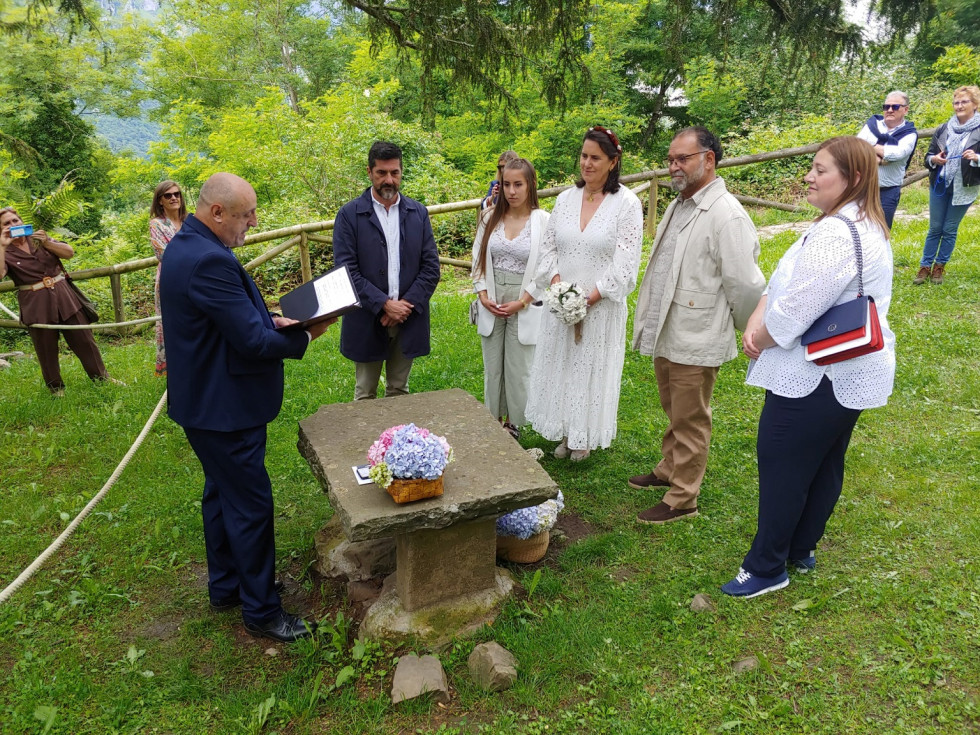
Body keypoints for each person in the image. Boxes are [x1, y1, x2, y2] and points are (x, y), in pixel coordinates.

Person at [159, 172, 334, 642]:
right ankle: (262, 611)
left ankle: (227, 587)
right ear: (216, 212)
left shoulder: (187, 245)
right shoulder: (208, 260)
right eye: (245, 215)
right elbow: (253, 343)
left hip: (204, 402)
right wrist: (304, 333)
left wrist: (269, 316)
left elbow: (225, 319)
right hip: (224, 410)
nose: (253, 222)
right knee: (250, 506)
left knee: (221, 495)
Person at [722, 136, 895, 598]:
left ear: (853, 178)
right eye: (811, 168)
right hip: (849, 372)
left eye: (821, 170)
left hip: (816, 373)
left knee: (783, 465)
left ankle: (765, 567)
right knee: (822, 462)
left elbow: (797, 308)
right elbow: (784, 285)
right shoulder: (862, 222)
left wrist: (759, 335)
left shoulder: (837, 232)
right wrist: (761, 311)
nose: (809, 177)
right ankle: (800, 548)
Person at [630, 127, 765, 524]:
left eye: (682, 159)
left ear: (709, 160)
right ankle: (670, 467)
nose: (674, 166)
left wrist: (743, 329)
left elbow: (745, 284)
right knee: (674, 406)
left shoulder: (726, 215)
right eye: (671, 159)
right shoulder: (680, 204)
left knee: (691, 415)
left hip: (697, 331)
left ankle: (683, 496)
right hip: (671, 327)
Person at [525, 126, 643, 461]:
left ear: (613, 162)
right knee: (562, 365)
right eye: (584, 156)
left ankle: (583, 435)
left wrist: (588, 298)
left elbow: (625, 262)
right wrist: (561, 289)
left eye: (596, 158)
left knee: (590, 368)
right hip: (561, 302)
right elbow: (548, 250)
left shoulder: (627, 204)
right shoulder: (565, 199)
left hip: (600, 305)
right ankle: (564, 431)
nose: (587, 164)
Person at [333, 141, 441, 400]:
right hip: (367, 319)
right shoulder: (349, 215)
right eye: (381, 173)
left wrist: (404, 306)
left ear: (402, 172)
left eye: (394, 172)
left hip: (408, 317)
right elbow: (346, 272)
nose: (388, 180)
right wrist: (384, 305)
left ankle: (396, 441)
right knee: (365, 393)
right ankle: (366, 442)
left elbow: (431, 268)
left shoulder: (417, 213)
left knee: (399, 391)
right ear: (369, 172)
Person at [471, 157, 550, 438]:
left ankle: (515, 423)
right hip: (492, 297)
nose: (512, 191)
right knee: (493, 365)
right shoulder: (489, 216)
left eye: (518, 184)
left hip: (523, 300)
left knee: (519, 366)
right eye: (506, 184)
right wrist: (482, 293)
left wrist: (524, 300)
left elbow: (546, 266)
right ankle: (494, 422)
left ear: (530, 185)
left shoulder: (543, 222)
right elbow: (478, 257)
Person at [0, 207, 114, 395]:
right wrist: (2, 246)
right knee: (45, 348)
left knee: (85, 340)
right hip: (35, 303)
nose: (13, 225)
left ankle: (101, 378)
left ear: (21, 221)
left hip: (64, 296)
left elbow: (69, 252)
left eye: (15, 220)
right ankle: (56, 388)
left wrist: (47, 242)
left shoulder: (38, 238)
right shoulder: (5, 250)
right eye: (7, 223)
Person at [914, 85, 980, 286]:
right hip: (940, 183)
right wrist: (934, 159)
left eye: (964, 102)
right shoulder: (944, 128)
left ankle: (939, 267)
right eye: (956, 102)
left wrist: (977, 157)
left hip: (965, 186)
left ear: (975, 104)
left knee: (949, 229)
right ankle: (925, 266)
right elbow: (928, 157)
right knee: (934, 228)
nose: (959, 106)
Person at [856, 90, 918, 228]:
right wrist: (879, 158)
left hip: (887, 192)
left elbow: (897, 154)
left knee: (881, 230)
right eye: (886, 107)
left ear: (905, 110)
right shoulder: (872, 124)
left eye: (895, 107)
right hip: (862, 188)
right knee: (858, 228)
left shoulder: (909, 134)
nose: (889, 110)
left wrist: (869, 147)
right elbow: (857, 147)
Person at [149, 180, 188, 377]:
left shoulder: (190, 221)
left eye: (177, 194)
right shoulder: (156, 224)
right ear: (160, 201)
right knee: (172, 322)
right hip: (171, 280)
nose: (174, 198)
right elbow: (164, 254)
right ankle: (176, 369)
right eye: (168, 195)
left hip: (195, 278)